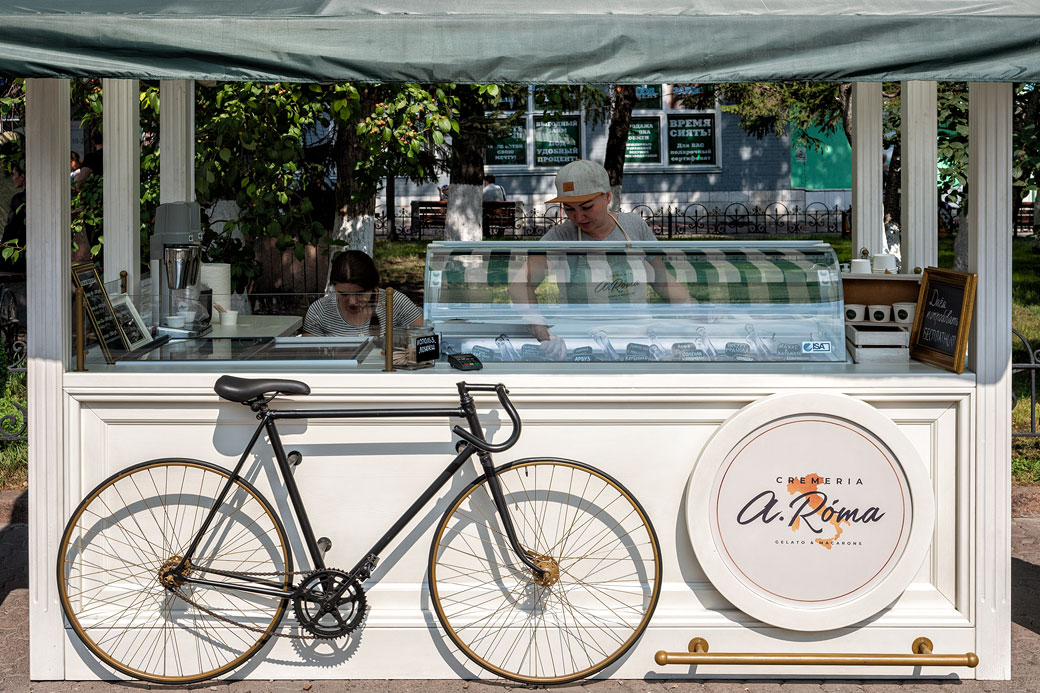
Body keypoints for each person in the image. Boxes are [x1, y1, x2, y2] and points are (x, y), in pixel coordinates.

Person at [512, 159, 690, 359]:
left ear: (607, 197)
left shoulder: (634, 226)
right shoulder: (560, 237)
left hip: (638, 340)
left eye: (586, 207)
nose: (578, 217)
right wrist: (543, 333)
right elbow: (520, 285)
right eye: (569, 209)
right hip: (581, 344)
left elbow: (662, 280)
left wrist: (696, 311)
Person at [302, 250, 423, 337]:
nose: (352, 301)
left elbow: (425, 338)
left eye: (359, 293)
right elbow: (312, 360)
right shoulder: (319, 311)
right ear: (333, 287)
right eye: (343, 294)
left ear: (373, 286)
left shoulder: (394, 301)